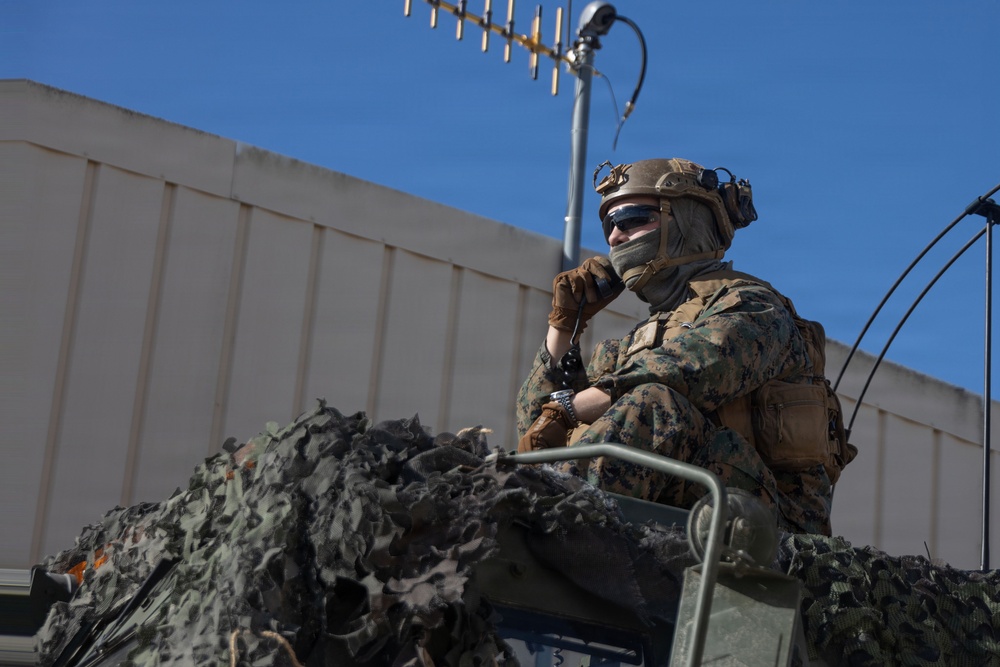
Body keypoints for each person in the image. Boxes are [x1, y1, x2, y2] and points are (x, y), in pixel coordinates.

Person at [515, 157, 855, 536]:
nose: (613, 238)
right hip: (685, 504)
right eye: (609, 225)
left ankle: (555, 526)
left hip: (768, 524)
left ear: (689, 222)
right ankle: (542, 520)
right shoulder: (628, 346)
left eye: (630, 219)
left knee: (656, 403)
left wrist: (571, 408)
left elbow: (695, 368)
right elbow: (537, 431)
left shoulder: (754, 306)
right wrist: (565, 326)